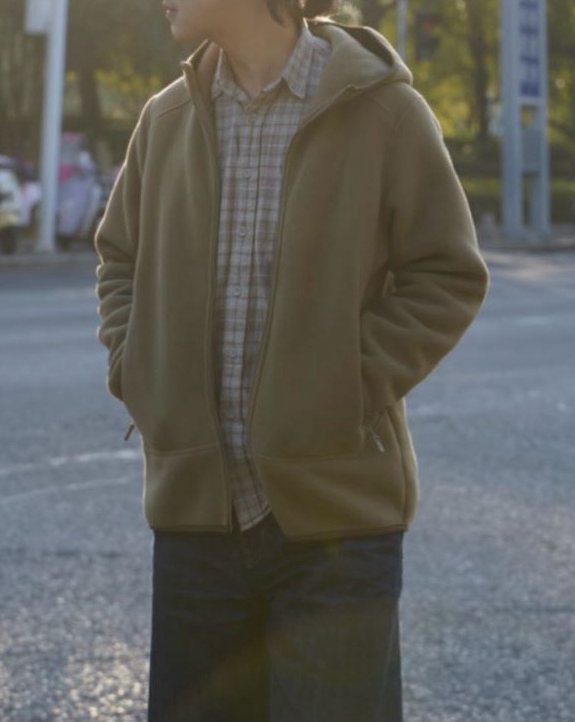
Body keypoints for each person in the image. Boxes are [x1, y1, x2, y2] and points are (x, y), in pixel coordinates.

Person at [94, 0, 490, 719]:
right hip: (196, 524)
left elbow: (447, 274)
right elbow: (119, 257)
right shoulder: (165, 118)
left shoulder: (385, 111)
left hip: (338, 526)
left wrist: (349, 384)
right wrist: (136, 366)